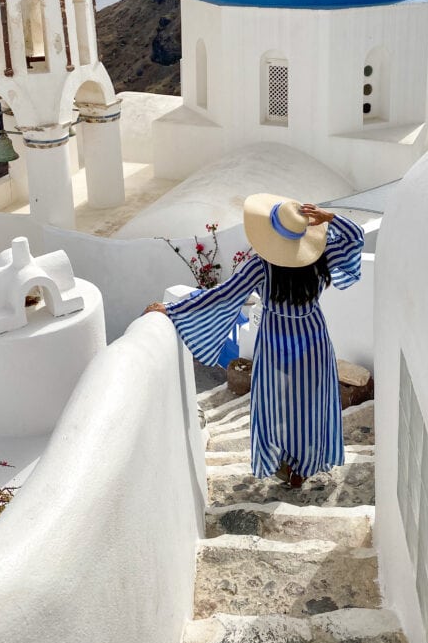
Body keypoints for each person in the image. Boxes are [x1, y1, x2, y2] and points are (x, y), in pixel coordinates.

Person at [144, 195, 365, 488]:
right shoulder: (320, 257)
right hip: (313, 339)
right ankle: (302, 467)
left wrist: (173, 309)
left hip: (275, 340)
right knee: (309, 404)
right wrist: (329, 217)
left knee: (276, 404)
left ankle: (281, 459)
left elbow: (221, 295)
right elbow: (356, 238)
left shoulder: (260, 267)